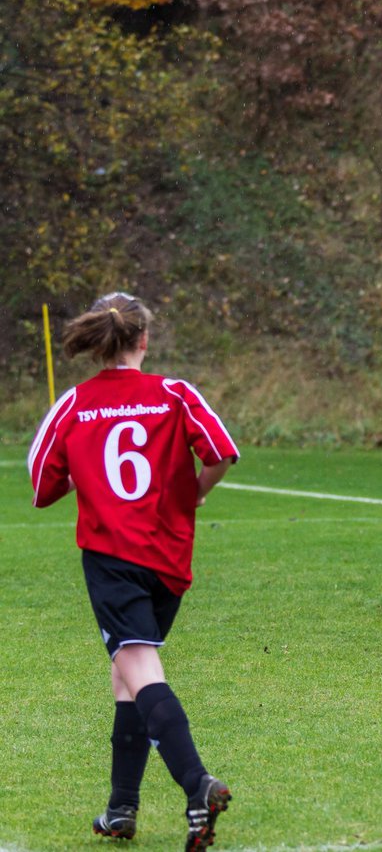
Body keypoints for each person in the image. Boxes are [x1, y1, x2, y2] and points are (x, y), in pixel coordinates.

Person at [27, 292, 238, 850]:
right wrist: (193, 494)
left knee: (140, 669)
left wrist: (81, 476)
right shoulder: (174, 392)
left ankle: (197, 785)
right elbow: (221, 450)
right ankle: (121, 808)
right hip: (169, 561)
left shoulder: (75, 404)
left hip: (114, 560)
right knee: (126, 677)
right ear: (144, 340)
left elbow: (41, 486)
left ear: (99, 343)